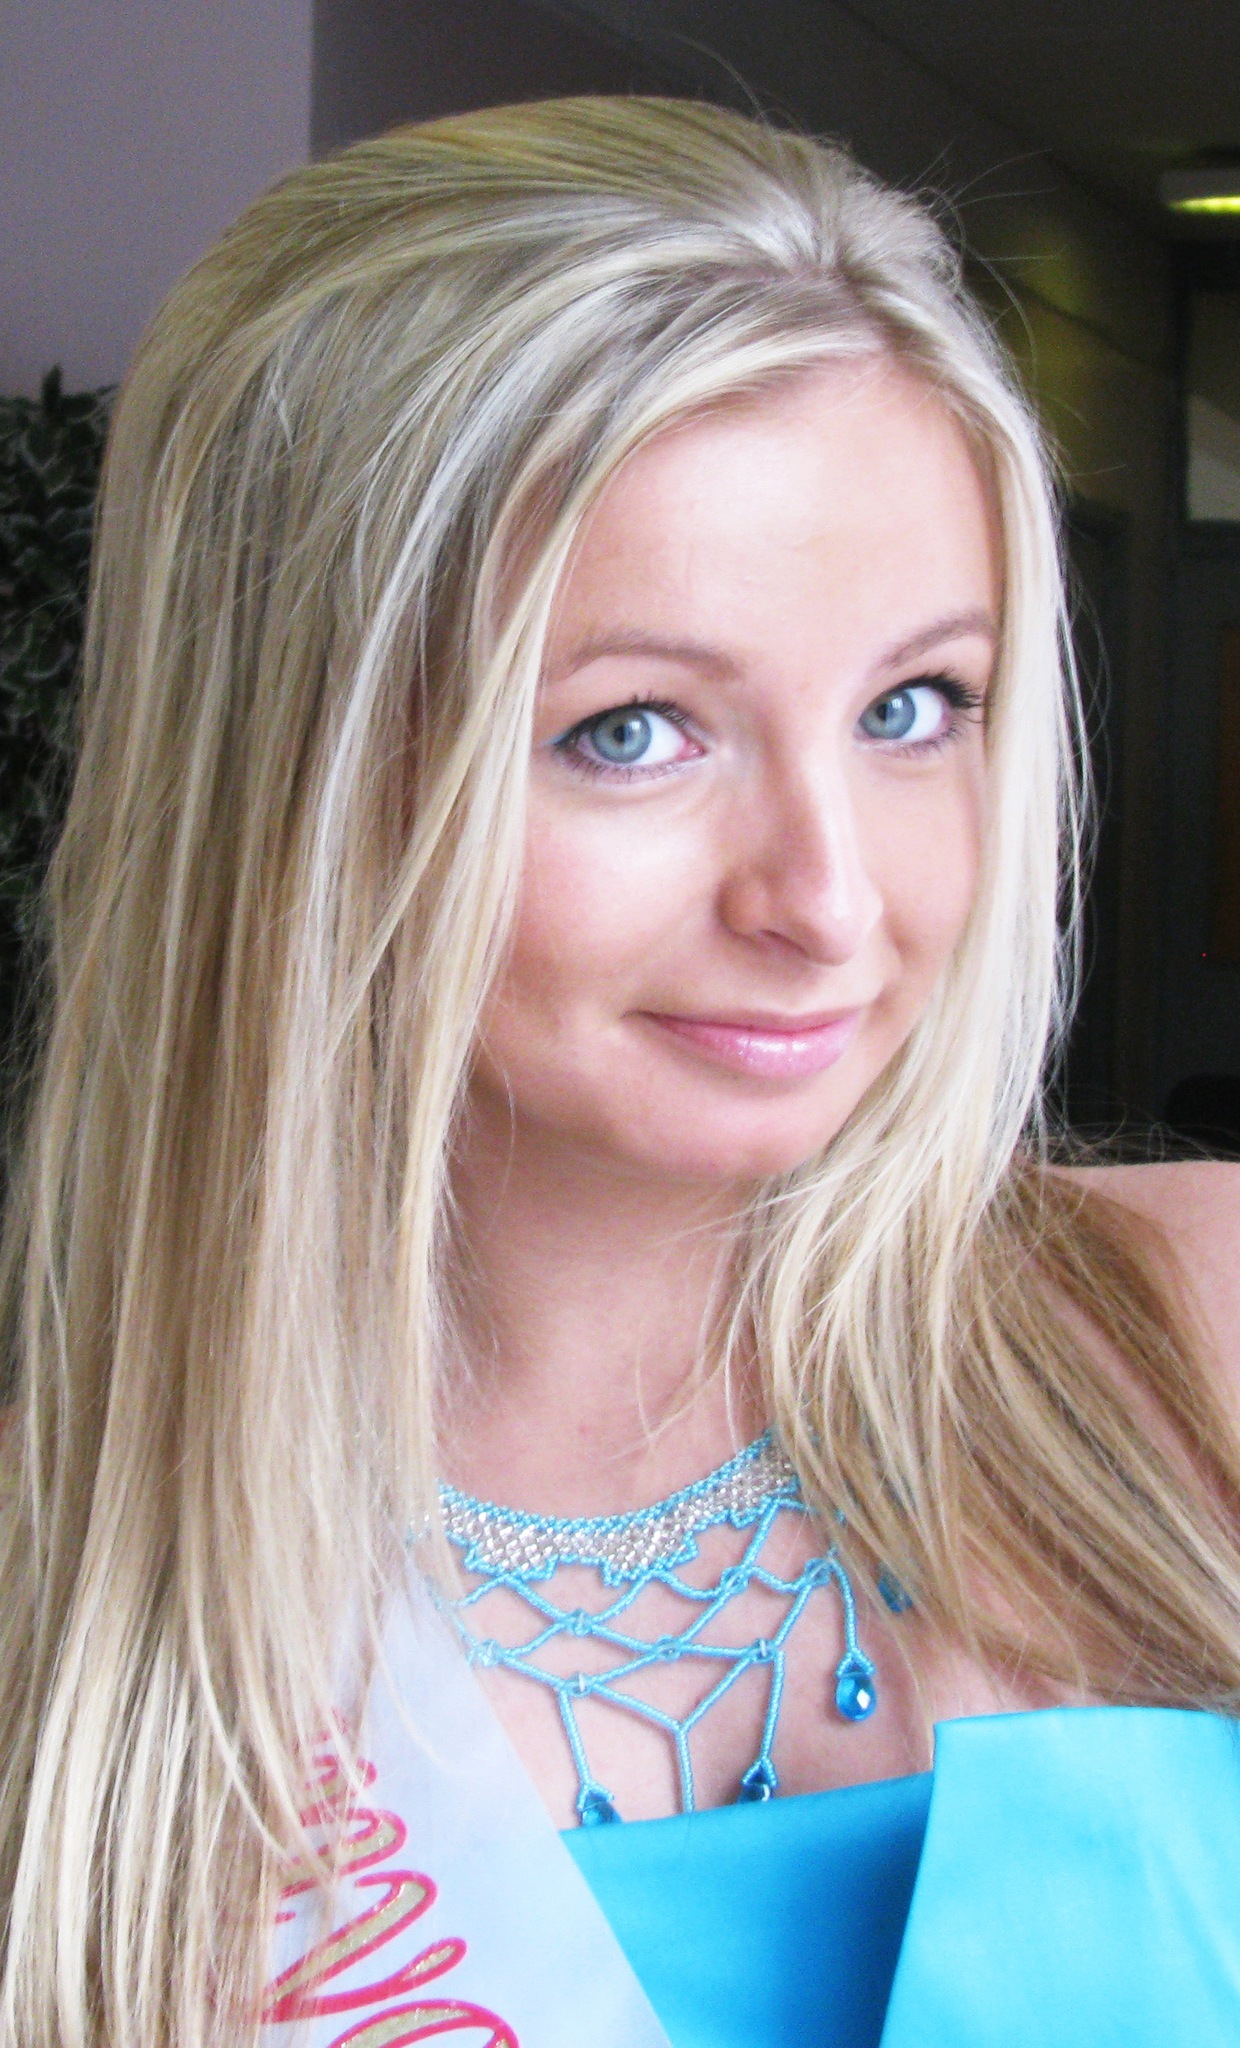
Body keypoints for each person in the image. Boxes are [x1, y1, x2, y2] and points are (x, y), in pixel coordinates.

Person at [1, 93, 1239, 2048]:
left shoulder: (1197, 1334)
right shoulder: (56, 1607)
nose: (829, 899)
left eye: (912, 706)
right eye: (633, 730)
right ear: (300, 784)